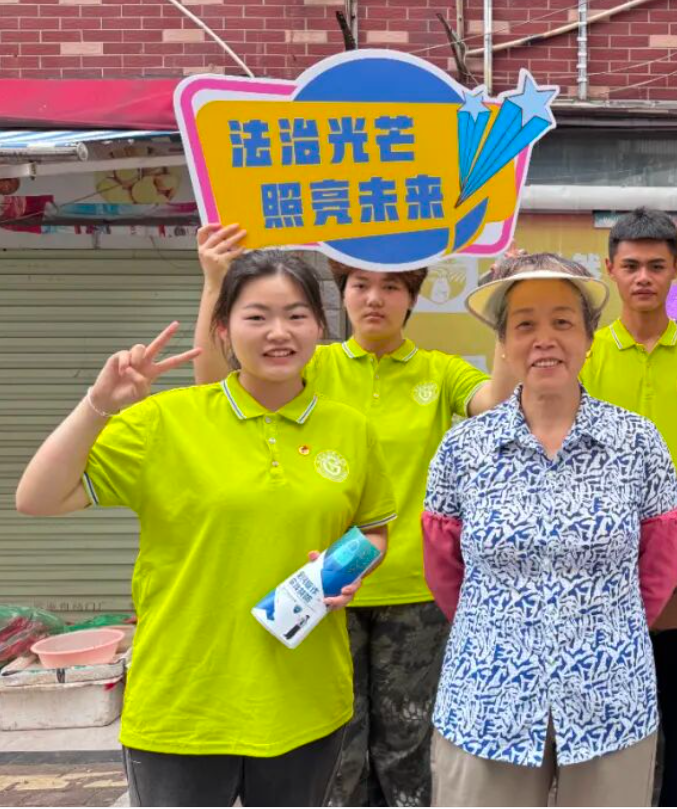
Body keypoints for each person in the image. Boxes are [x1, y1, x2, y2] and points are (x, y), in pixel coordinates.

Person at [15, 251, 395, 807]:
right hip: (183, 702)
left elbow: (375, 530)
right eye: (257, 316)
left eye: (296, 315)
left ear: (320, 326)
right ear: (223, 328)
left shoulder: (351, 429)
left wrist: (348, 569)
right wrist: (98, 405)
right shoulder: (166, 421)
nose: (279, 332)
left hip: (306, 701)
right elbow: (36, 498)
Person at [192, 224, 518, 807]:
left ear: (412, 297)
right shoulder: (311, 364)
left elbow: (497, 404)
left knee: (409, 744)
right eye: (360, 284)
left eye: (392, 286)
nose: (374, 298)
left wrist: (507, 307)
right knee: (337, 745)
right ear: (339, 295)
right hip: (319, 586)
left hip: (414, 589)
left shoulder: (439, 371)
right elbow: (213, 388)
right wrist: (215, 282)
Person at [422, 253, 677, 806]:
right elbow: (444, 570)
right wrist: (500, 631)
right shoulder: (463, 448)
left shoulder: (637, 442)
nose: (544, 339)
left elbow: (660, 564)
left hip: (609, 694)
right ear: (503, 343)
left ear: (589, 339)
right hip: (488, 694)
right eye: (525, 324)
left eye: (562, 322)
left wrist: (603, 630)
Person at [578, 208, 677, 806]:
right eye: (630, 266)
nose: (643, 277)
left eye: (655, 265)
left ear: (675, 269)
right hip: (605, 563)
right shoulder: (587, 354)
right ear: (610, 269)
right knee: (607, 718)